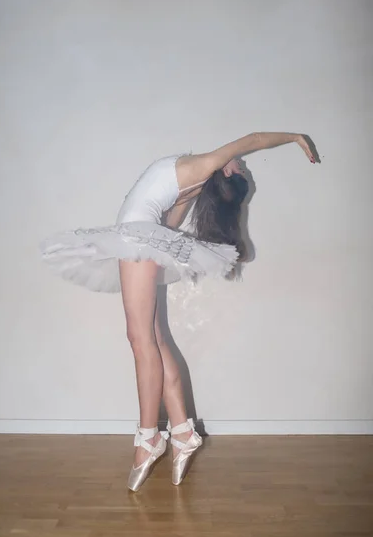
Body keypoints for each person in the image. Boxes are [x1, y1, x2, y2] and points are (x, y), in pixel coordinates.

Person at [40, 131, 316, 491]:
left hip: (137, 240)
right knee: (152, 338)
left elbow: (255, 140)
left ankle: (148, 437)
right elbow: (165, 229)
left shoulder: (203, 165)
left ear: (227, 171)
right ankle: (183, 432)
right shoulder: (191, 183)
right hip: (140, 239)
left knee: (141, 340)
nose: (240, 161)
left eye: (240, 166)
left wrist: (295, 137)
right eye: (242, 164)